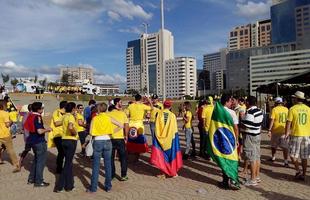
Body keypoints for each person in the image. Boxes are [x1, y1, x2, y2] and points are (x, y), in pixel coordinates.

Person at [87, 103, 123, 193]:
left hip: (98, 140)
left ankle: (93, 188)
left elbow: (91, 132)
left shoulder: (95, 118)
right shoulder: (108, 117)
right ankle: (108, 186)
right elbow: (121, 125)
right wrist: (111, 132)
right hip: (108, 140)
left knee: (96, 165)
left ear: (98, 109)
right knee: (108, 164)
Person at [150, 99, 183, 178]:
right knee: (171, 155)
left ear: (163, 105)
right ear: (170, 106)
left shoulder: (159, 114)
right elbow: (174, 129)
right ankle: (173, 172)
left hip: (160, 137)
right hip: (171, 139)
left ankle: (163, 173)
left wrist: (157, 137)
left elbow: (157, 127)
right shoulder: (172, 115)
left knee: (162, 155)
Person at [285, 91, 310, 181]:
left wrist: (287, 133)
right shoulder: (308, 109)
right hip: (306, 135)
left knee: (292, 154)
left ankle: (298, 170)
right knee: (304, 156)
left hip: (296, 134)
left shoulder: (292, 109)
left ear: (296, 99)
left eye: (293, 98)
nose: (292, 99)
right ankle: (303, 174)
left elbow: (288, 123)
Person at [26, 102, 52, 187]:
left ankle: (31, 178)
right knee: (41, 162)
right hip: (39, 141)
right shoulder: (37, 117)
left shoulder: (30, 115)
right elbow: (39, 131)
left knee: (36, 160)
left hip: (32, 140)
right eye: (42, 108)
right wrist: (48, 130)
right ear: (38, 109)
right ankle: (39, 181)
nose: (43, 109)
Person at [55, 102, 78, 192]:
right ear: (73, 109)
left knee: (69, 163)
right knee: (68, 164)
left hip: (64, 140)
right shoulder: (70, 116)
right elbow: (70, 126)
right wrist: (75, 132)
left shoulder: (64, 116)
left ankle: (69, 185)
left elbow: (58, 123)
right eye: (75, 108)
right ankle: (59, 186)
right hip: (70, 140)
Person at [218, 94, 239, 189]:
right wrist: (237, 139)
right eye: (230, 101)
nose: (232, 103)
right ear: (226, 102)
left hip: (221, 138)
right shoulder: (231, 112)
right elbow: (235, 128)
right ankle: (232, 179)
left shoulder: (217, 111)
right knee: (232, 158)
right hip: (230, 138)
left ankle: (225, 181)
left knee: (223, 159)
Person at [241, 96, 263, 186]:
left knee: (251, 157)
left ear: (248, 103)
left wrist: (242, 119)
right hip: (257, 135)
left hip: (250, 136)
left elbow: (247, 125)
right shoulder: (259, 111)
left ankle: (253, 179)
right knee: (257, 157)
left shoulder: (250, 112)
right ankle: (257, 176)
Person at [108, 98, 129, 181]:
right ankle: (123, 175)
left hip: (110, 138)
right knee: (123, 157)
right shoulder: (122, 114)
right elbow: (126, 126)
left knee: (111, 158)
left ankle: (112, 175)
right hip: (120, 138)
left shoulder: (108, 114)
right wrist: (126, 136)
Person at [127, 94, 153, 158]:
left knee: (131, 139)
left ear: (135, 99)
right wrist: (149, 100)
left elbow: (127, 115)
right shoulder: (142, 106)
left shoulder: (130, 106)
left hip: (131, 124)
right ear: (140, 99)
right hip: (139, 124)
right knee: (139, 139)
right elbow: (151, 108)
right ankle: (137, 154)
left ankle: (130, 151)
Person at [267, 97, 289, 167]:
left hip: (275, 130)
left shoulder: (274, 109)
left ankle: (273, 157)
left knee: (273, 145)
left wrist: (269, 130)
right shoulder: (286, 109)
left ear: (276, 102)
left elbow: (272, 120)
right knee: (285, 147)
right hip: (284, 130)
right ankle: (286, 161)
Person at [0, 103, 20, 172]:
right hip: (5, 134)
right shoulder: (5, 113)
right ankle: (17, 165)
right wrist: (11, 121)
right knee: (10, 150)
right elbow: (7, 125)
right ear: (2, 106)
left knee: (1, 148)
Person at [48, 101, 67, 174]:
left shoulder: (66, 113)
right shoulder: (56, 112)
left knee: (63, 152)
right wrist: (66, 119)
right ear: (64, 107)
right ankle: (59, 168)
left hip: (64, 135)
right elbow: (56, 123)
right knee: (61, 152)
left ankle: (62, 167)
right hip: (57, 135)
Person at [19, 104, 32, 168]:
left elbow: (21, 128)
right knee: (38, 150)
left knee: (26, 150)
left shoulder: (25, 114)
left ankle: (20, 161)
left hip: (26, 136)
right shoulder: (33, 115)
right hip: (32, 136)